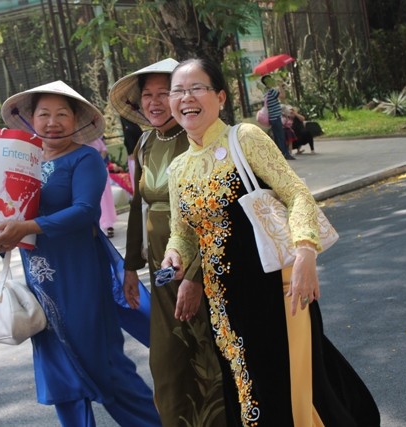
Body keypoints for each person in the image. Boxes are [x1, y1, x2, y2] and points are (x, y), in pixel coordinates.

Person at [162, 58, 380, 427]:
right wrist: (174, 256)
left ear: (220, 97)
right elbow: (182, 232)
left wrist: (307, 252)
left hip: (278, 288)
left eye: (196, 88)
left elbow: (295, 193)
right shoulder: (178, 168)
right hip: (224, 301)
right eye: (178, 91)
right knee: (248, 385)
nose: (186, 97)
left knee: (294, 382)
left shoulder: (243, 138)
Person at [0, 80, 161, 427]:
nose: (53, 122)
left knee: (105, 363)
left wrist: (27, 227)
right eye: (44, 114)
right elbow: (8, 209)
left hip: (82, 274)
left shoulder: (85, 159)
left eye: (62, 114)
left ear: (77, 120)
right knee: (59, 372)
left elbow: (84, 211)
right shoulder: (24, 161)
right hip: (40, 278)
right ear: (30, 119)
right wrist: (1, 237)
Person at [109, 58, 227, 426]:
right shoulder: (144, 143)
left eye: (165, 92)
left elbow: (216, 215)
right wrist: (130, 267)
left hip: (203, 262)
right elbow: (136, 205)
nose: (155, 102)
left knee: (209, 348)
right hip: (160, 266)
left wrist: (195, 276)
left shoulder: (196, 140)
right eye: (148, 95)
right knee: (167, 357)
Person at [87, 136, 118, 238]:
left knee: (105, 198)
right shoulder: (76, 141)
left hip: (99, 169)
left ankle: (108, 225)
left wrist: (97, 160)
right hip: (87, 173)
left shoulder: (95, 139)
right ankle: (98, 225)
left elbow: (104, 150)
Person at [261, 74, 295, 160]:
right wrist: (280, 86)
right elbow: (283, 96)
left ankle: (279, 155)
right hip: (276, 118)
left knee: (277, 136)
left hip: (272, 118)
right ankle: (285, 154)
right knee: (281, 136)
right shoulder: (271, 91)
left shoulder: (266, 92)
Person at [120, 115, 144, 190]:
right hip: (139, 156)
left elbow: (131, 143)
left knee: (138, 180)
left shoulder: (129, 129)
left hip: (135, 158)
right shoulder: (135, 127)